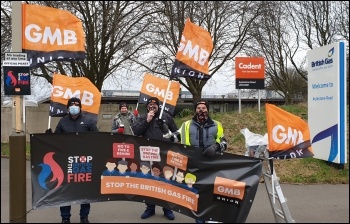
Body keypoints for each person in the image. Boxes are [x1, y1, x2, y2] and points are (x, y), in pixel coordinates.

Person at [47, 97, 99, 223]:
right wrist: (48, 136)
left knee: (85, 189)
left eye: (76, 104)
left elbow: (97, 138)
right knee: (65, 189)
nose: (74, 106)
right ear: (68, 107)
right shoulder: (63, 121)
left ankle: (84, 216)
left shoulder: (89, 121)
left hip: (84, 161)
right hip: (67, 161)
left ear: (80, 107)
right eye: (72, 104)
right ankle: (65, 217)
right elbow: (56, 141)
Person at [179, 99, 227, 223]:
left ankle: (211, 217)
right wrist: (164, 129)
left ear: (208, 109)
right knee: (195, 193)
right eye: (199, 108)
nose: (201, 110)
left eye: (204, 108)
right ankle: (199, 219)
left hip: (211, 164)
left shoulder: (217, 124)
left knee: (210, 192)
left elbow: (224, 142)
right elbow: (174, 137)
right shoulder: (186, 125)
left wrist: (216, 147)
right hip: (193, 164)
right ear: (195, 110)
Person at [132, 96, 179, 220]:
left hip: (164, 155)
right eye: (150, 105)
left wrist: (166, 130)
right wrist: (147, 120)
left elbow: (176, 134)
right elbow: (135, 132)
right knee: (149, 182)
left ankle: (167, 208)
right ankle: (150, 208)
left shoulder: (166, 117)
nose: (152, 107)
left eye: (155, 105)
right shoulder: (142, 117)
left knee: (165, 181)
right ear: (147, 106)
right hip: (147, 156)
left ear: (159, 106)